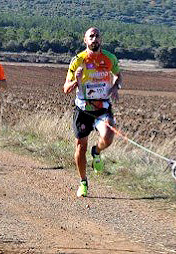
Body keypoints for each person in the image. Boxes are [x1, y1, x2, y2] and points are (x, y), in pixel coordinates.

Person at [63, 27, 122, 197]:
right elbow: (66, 88)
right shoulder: (78, 60)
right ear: (85, 40)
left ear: (100, 40)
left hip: (102, 107)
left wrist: (116, 86)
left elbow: (118, 75)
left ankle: (96, 152)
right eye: (91, 36)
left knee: (109, 136)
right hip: (83, 109)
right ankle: (83, 182)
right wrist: (77, 80)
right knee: (80, 146)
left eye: (97, 36)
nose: (94, 39)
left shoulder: (109, 58)